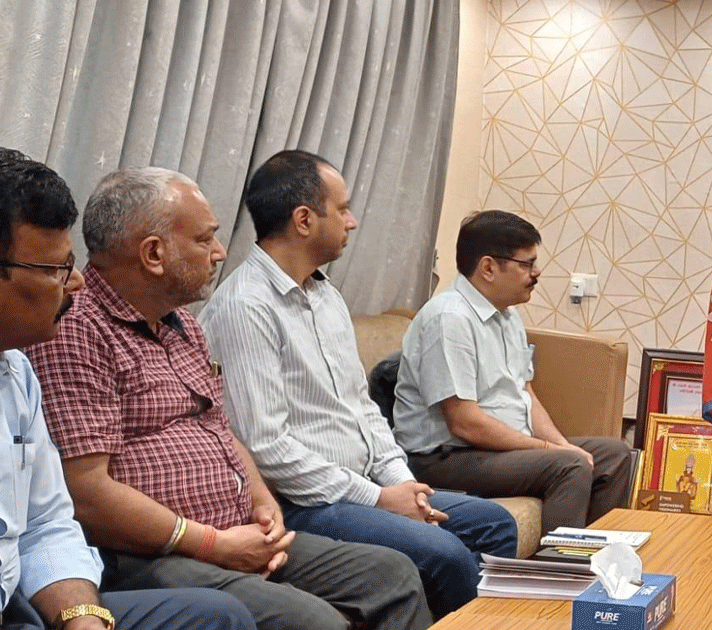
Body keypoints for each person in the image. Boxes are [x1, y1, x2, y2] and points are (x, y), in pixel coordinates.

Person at [24, 166, 431, 630]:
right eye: (205, 240)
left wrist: (264, 505)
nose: (220, 252)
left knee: (393, 574)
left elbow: (220, 428)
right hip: (149, 553)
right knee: (313, 622)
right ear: (153, 254)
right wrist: (211, 544)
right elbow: (87, 493)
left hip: (238, 530)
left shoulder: (183, 324)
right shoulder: (77, 329)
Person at [0, 144, 256, 630]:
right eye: (56, 269)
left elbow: (46, 524)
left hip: (16, 608)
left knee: (216, 616)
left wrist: (82, 617)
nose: (76, 282)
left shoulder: (11, 371)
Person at [198, 150, 517, 618]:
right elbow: (267, 447)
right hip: (305, 501)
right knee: (446, 553)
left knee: (494, 523)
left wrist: (404, 484)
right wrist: (380, 498)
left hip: (366, 484)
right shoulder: (246, 307)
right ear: (304, 220)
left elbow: (362, 407)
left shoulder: (325, 295)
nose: (351, 221)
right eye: (342, 209)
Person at [392, 210, 634, 534]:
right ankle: (559, 565)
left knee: (614, 455)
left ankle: (597, 556)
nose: (537, 272)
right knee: (569, 465)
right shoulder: (449, 318)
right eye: (526, 264)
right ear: (488, 268)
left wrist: (562, 444)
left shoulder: (507, 316)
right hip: (446, 457)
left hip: (497, 449)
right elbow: (465, 423)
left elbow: (526, 394)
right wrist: (553, 451)